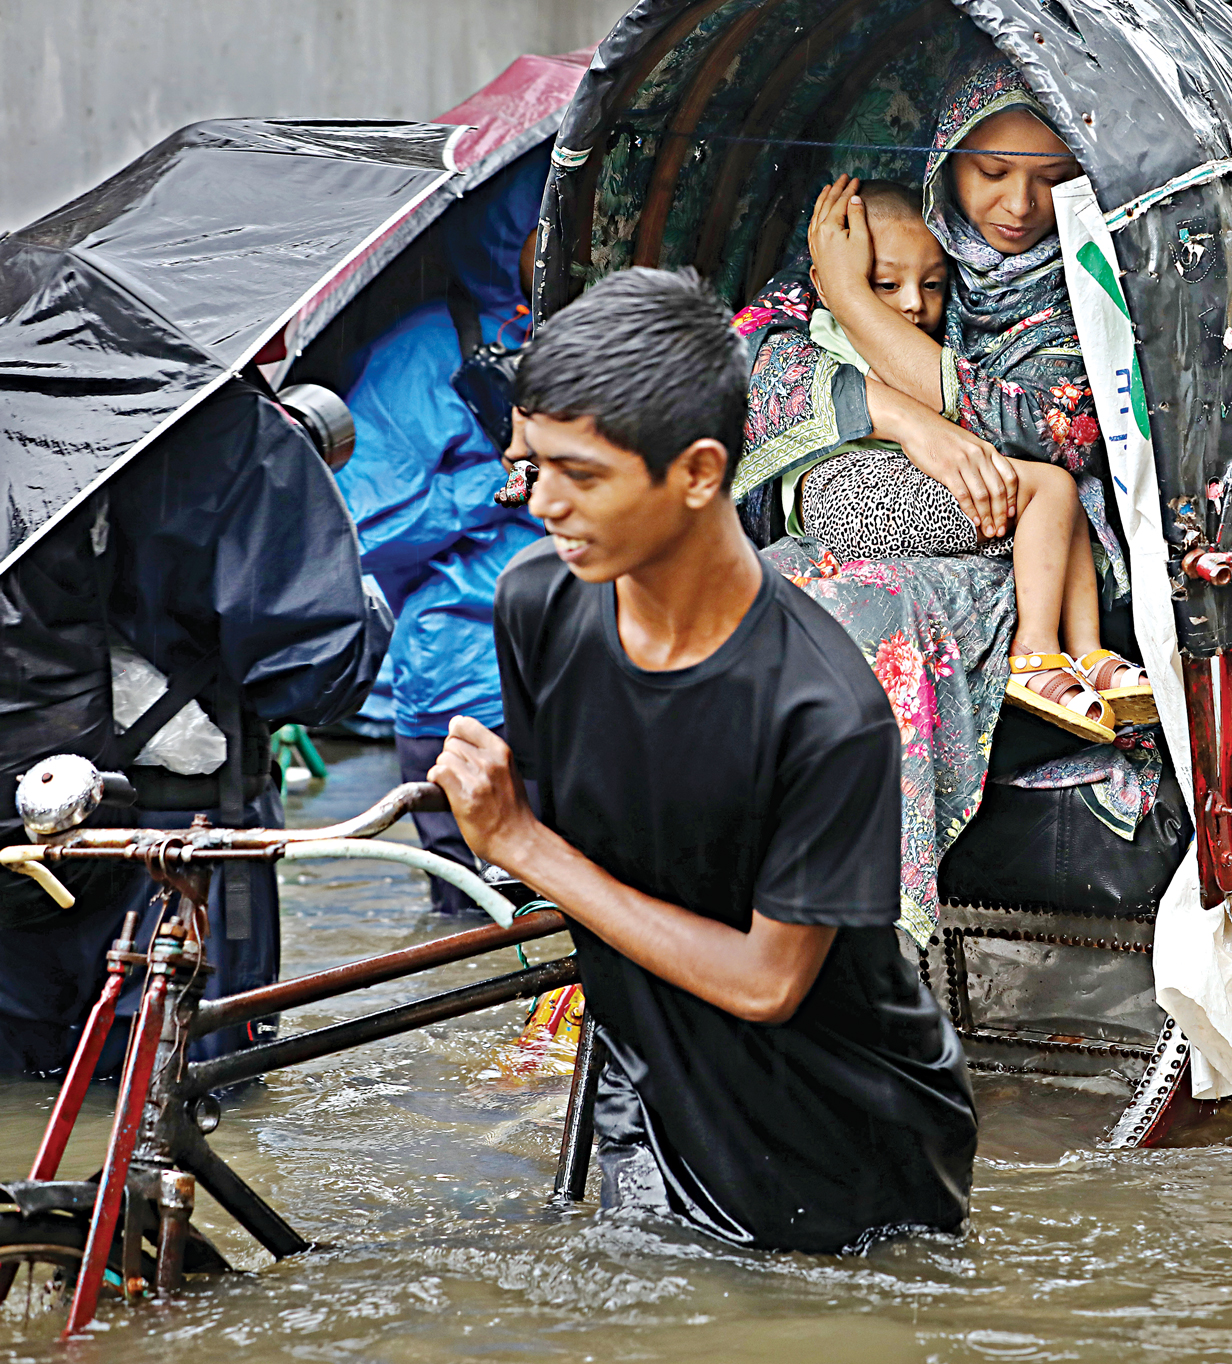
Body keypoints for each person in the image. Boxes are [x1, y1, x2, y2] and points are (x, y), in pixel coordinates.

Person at [429, 266, 976, 1253]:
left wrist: (522, 846)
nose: (541, 503)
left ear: (696, 472)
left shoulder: (824, 707)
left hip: (842, 1138)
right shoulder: (538, 605)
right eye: (531, 465)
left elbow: (770, 983)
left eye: (580, 474)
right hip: (650, 1087)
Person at [728, 49, 1161, 941]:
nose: (1017, 207)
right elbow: (746, 354)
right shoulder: (901, 242)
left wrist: (858, 301)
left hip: (1035, 554)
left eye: (1052, 178)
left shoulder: (1092, 285)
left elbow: (1052, 427)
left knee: (868, 606)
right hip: (876, 512)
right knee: (745, 601)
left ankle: (862, 927)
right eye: (991, 172)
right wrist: (899, 414)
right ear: (944, 168)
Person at [0, 383, 392, 1075]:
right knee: (187, 1106)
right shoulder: (227, 426)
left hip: (12, 834)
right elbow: (320, 676)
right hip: (177, 844)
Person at [790, 176, 1149, 740]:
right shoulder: (836, 334)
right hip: (849, 491)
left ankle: (1089, 655)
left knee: (1071, 495)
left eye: (933, 285)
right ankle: (1036, 654)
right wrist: (851, 297)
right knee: (1051, 491)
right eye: (886, 284)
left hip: (897, 487)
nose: (912, 304)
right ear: (829, 281)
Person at [336, 156, 546, 916]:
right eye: (546, 224)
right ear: (507, 235)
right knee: (473, 936)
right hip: (464, 682)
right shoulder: (423, 352)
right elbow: (366, 528)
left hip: (591, 676)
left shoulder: (608, 334)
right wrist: (495, 485)